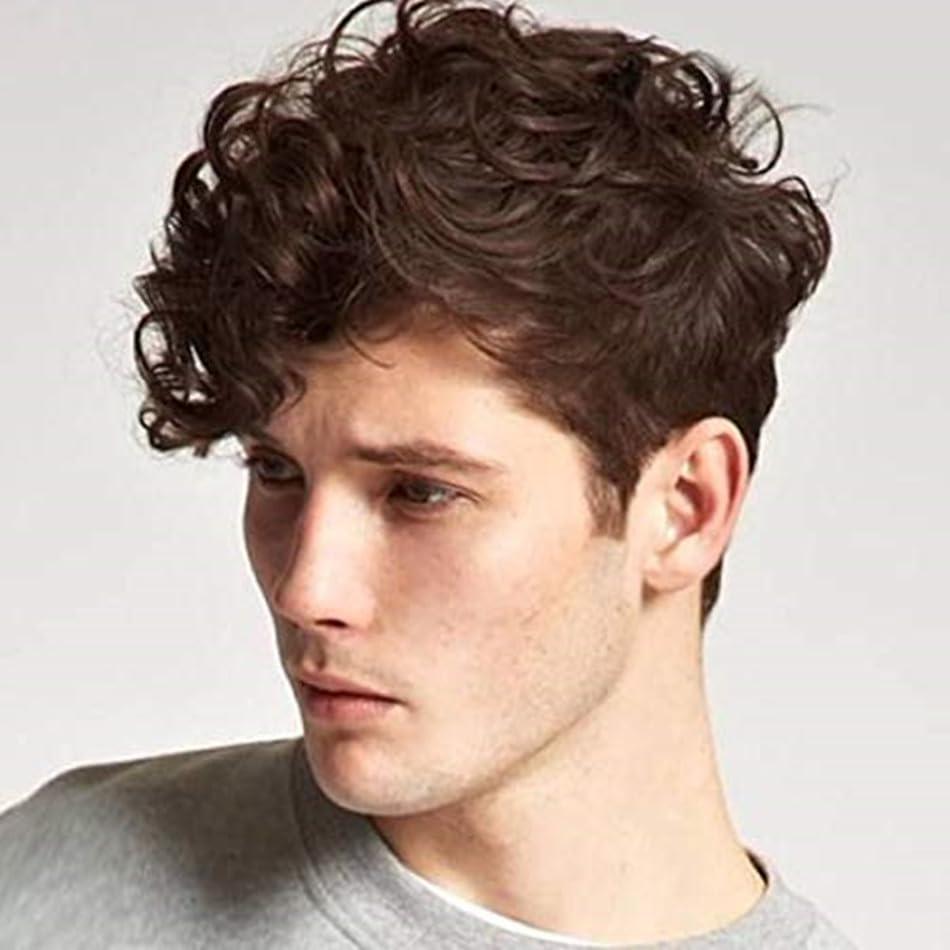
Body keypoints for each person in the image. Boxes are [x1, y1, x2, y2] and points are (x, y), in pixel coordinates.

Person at [0, 0, 857, 946]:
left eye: (420, 492)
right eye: (277, 471)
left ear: (686, 506)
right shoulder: (47, 887)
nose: (305, 590)